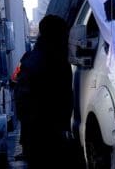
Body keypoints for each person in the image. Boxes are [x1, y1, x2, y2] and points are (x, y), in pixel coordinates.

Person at [15, 15, 74, 168]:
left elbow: (20, 95)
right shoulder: (60, 61)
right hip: (51, 131)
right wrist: (65, 126)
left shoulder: (29, 58)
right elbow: (65, 96)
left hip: (32, 132)